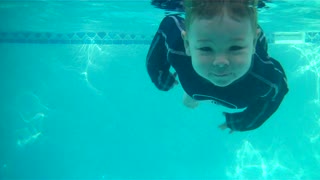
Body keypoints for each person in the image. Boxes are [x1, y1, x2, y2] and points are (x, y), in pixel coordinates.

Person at [146, 0, 289, 132]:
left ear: (253, 44)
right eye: (206, 49)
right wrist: (159, 75)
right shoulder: (179, 48)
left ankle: (193, 93)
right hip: (195, 80)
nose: (221, 62)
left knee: (193, 87)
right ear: (187, 44)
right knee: (193, 88)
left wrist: (242, 122)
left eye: (235, 48)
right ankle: (192, 93)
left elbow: (278, 92)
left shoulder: (263, 77)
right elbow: (168, 25)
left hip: (211, 77)